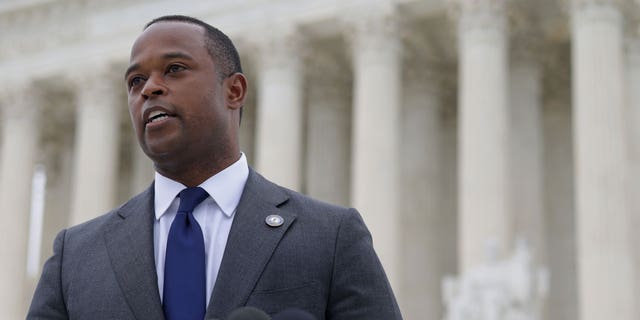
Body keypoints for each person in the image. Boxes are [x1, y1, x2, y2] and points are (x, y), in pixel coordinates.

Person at [27, 15, 402, 320]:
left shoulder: (330, 237)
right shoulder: (76, 257)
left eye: (174, 69)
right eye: (136, 81)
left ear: (234, 91)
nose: (149, 89)